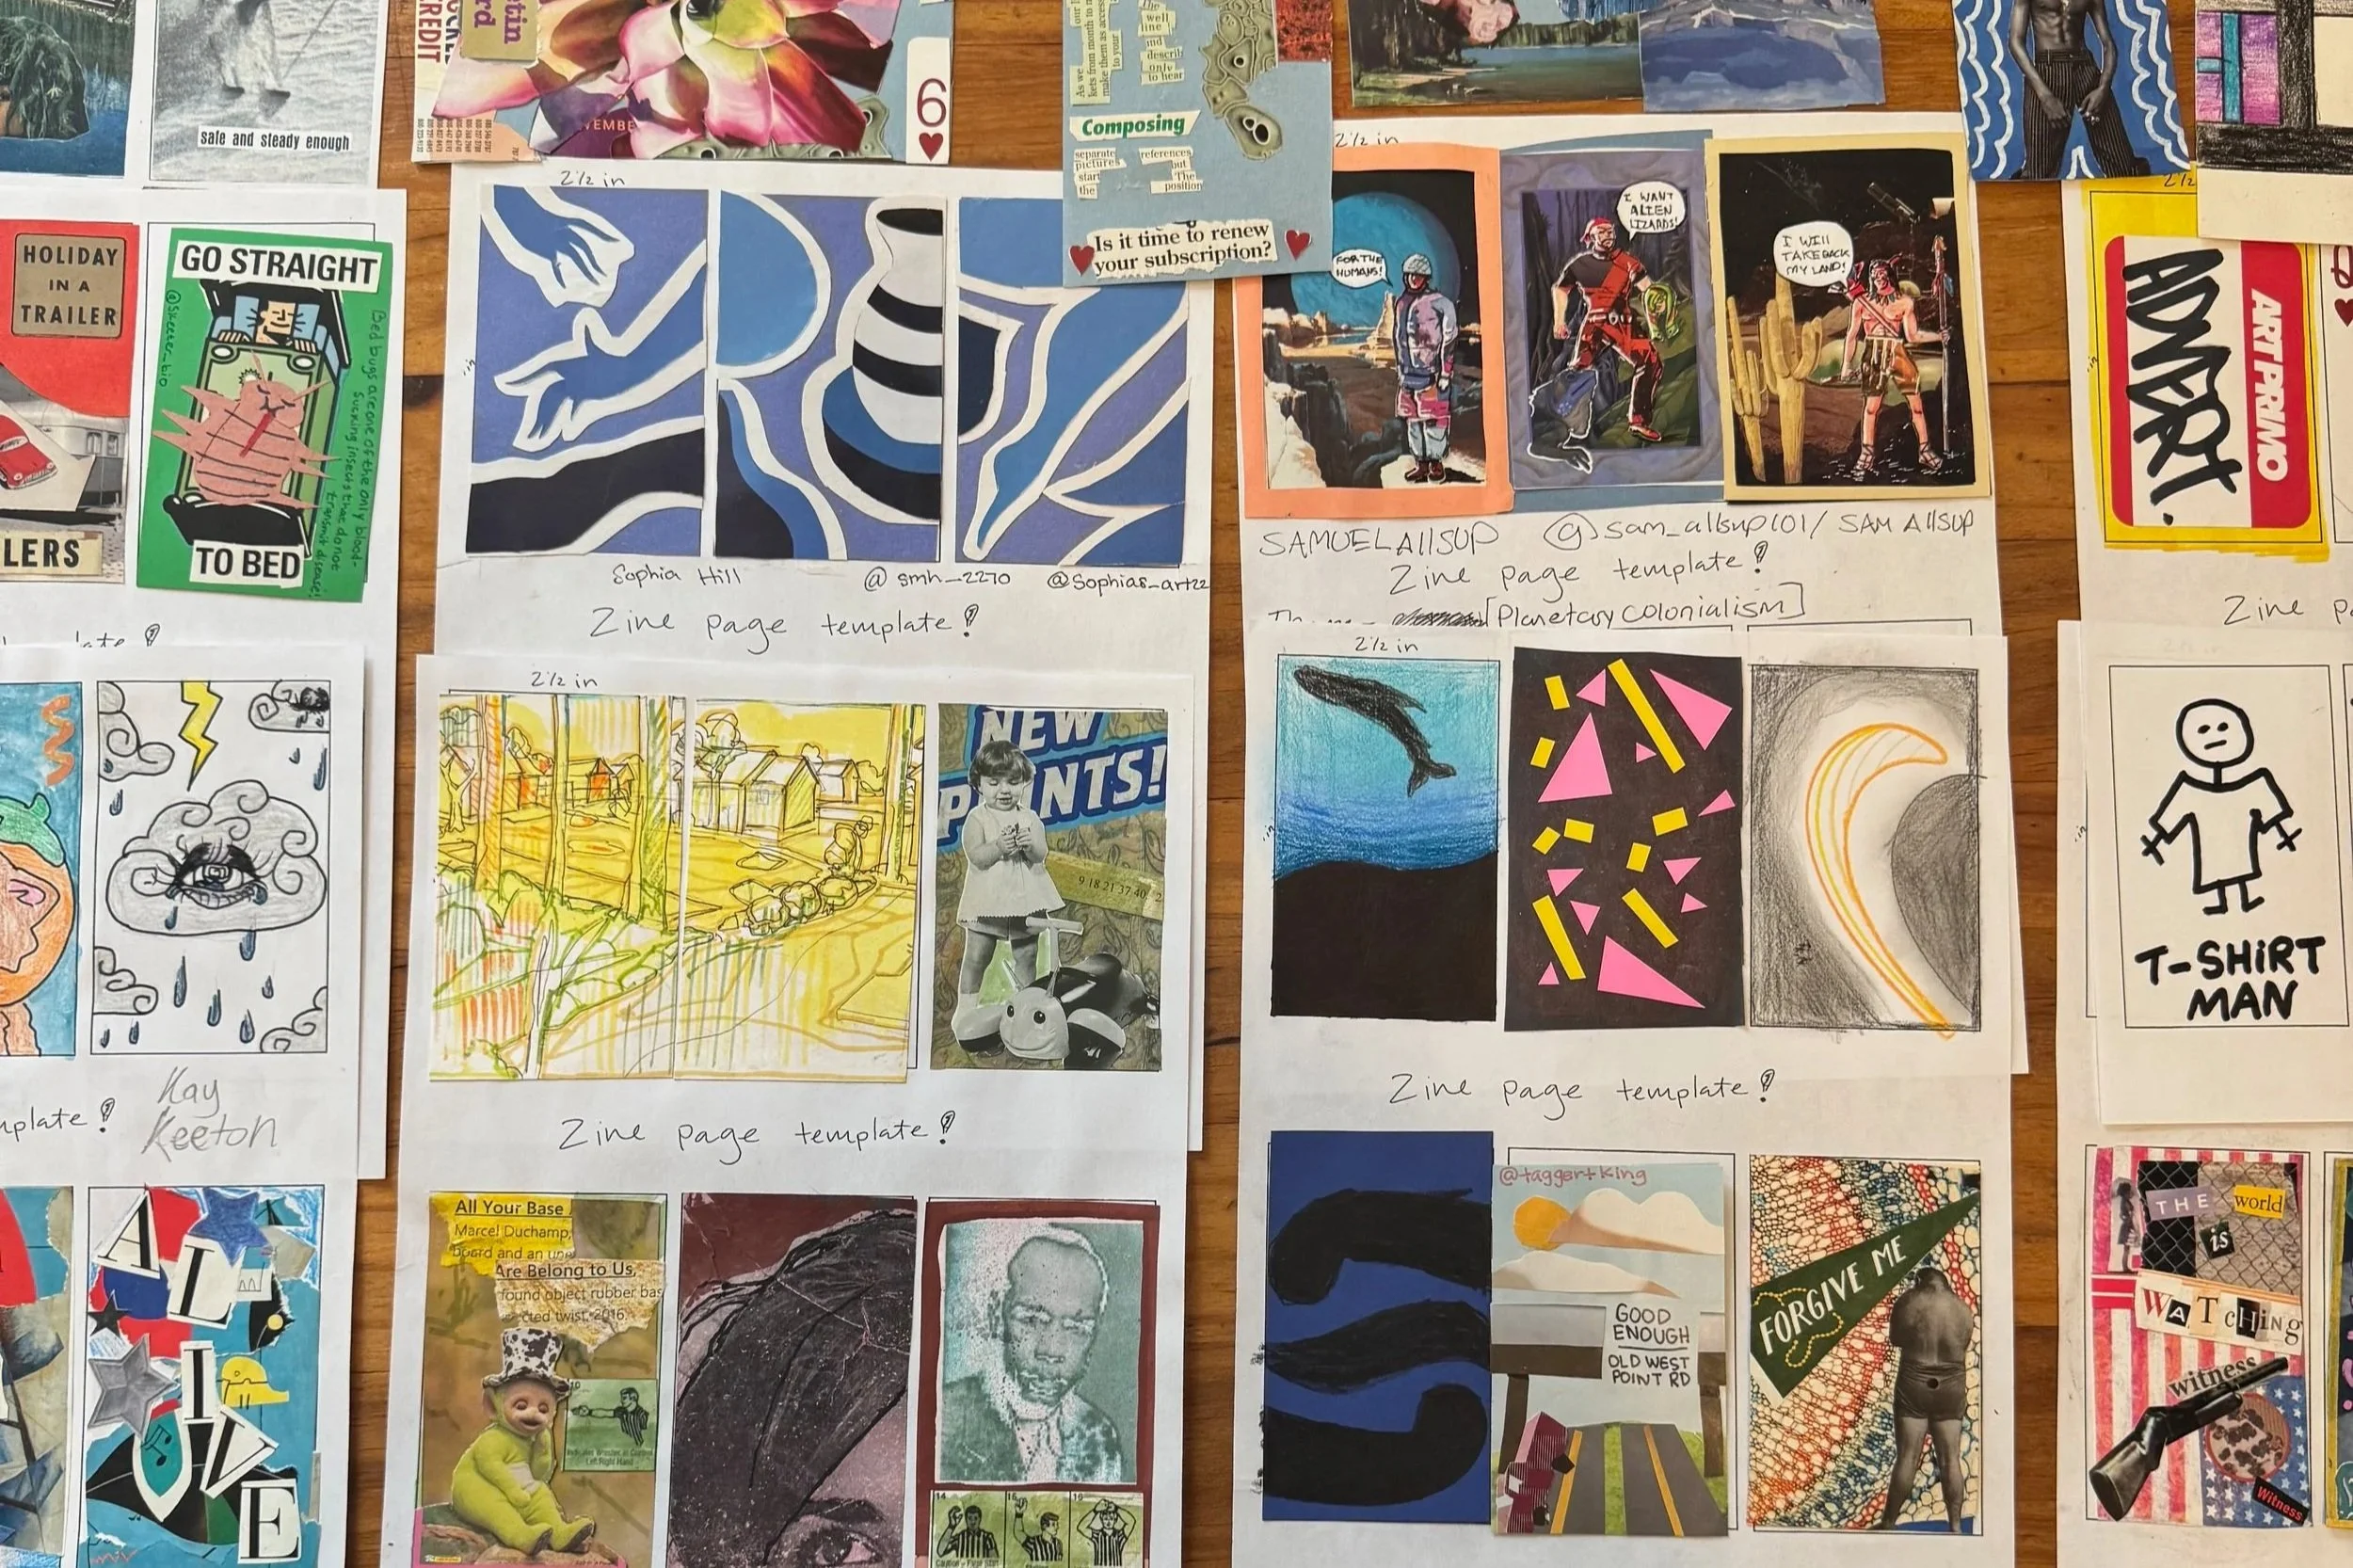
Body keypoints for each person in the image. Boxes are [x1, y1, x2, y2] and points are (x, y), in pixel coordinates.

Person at [937, 1229, 1129, 1485]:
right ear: (996, 1316)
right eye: (1031, 1319)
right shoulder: (945, 1420)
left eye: (1076, 1328)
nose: (1051, 1351)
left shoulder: (1098, 1438)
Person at [2142, 698, 2297, 914]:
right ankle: (2222, 903)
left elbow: (2270, 812)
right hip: (2211, 844)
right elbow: (2172, 816)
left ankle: (2245, 900)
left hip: (2239, 841)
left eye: (2224, 727)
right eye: (2203, 730)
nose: (2215, 735)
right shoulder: (2189, 789)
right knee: (2216, 871)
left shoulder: (2254, 784)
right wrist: (2157, 840)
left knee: (2241, 866)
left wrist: (2281, 832)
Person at [954, 741, 1064, 1007]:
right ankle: (966, 1008)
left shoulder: (1030, 818)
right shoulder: (977, 819)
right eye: (994, 783)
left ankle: (1024, 1004)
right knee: (978, 954)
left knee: (1027, 953)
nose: (1004, 790)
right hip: (988, 900)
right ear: (979, 784)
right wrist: (998, 847)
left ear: (1024, 782)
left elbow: (1041, 854)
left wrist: (1030, 845)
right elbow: (976, 856)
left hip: (1025, 899)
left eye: (1013, 782)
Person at [1549, 216, 1665, 445]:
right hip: (1595, 325)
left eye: (1610, 231)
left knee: (1651, 361)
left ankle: (1639, 421)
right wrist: (1559, 321)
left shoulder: (1628, 262)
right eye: (1601, 232)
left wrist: (1659, 305)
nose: (1608, 235)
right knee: (1578, 372)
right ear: (1590, 237)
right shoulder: (1580, 264)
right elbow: (1560, 290)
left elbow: (1649, 290)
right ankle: (1562, 423)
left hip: (1624, 325)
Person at [2007, 0, 2150, 179]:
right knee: (2037, 172)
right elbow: (2015, 42)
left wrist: (2103, 88)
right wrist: (2045, 96)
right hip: (2046, 73)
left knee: (2124, 164)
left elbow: (2108, 43)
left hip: (2084, 66)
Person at [1879, 1266, 1975, 1531]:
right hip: (1951, 1386)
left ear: (1919, 1281)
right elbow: (1962, 1343)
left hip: (1914, 1383)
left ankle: (1888, 1522)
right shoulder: (1962, 1310)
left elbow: (1895, 1339)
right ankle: (1955, 1526)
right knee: (1950, 1459)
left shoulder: (1909, 1301)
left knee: (1907, 1457)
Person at [1839, 259, 1945, 479]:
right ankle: (1866, 454)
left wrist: (1938, 336)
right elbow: (1852, 335)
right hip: (1874, 354)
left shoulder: (1905, 302)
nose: (1878, 278)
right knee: (1871, 408)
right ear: (1870, 278)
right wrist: (1846, 366)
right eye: (1874, 275)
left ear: (1890, 275)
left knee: (1916, 406)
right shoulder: (1861, 302)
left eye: (1882, 273)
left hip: (1898, 352)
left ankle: (1924, 450)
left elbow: (1913, 336)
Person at [1391, 253, 1459, 484]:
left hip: (1433, 374)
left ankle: (1436, 463)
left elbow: (1450, 338)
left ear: (1426, 278)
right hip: (1408, 375)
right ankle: (1420, 463)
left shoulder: (1441, 303)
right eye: (1410, 275)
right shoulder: (1401, 304)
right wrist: (1400, 368)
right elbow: (1398, 338)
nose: (1414, 279)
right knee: (1413, 421)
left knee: (1434, 420)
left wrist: (1445, 372)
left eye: (1418, 275)